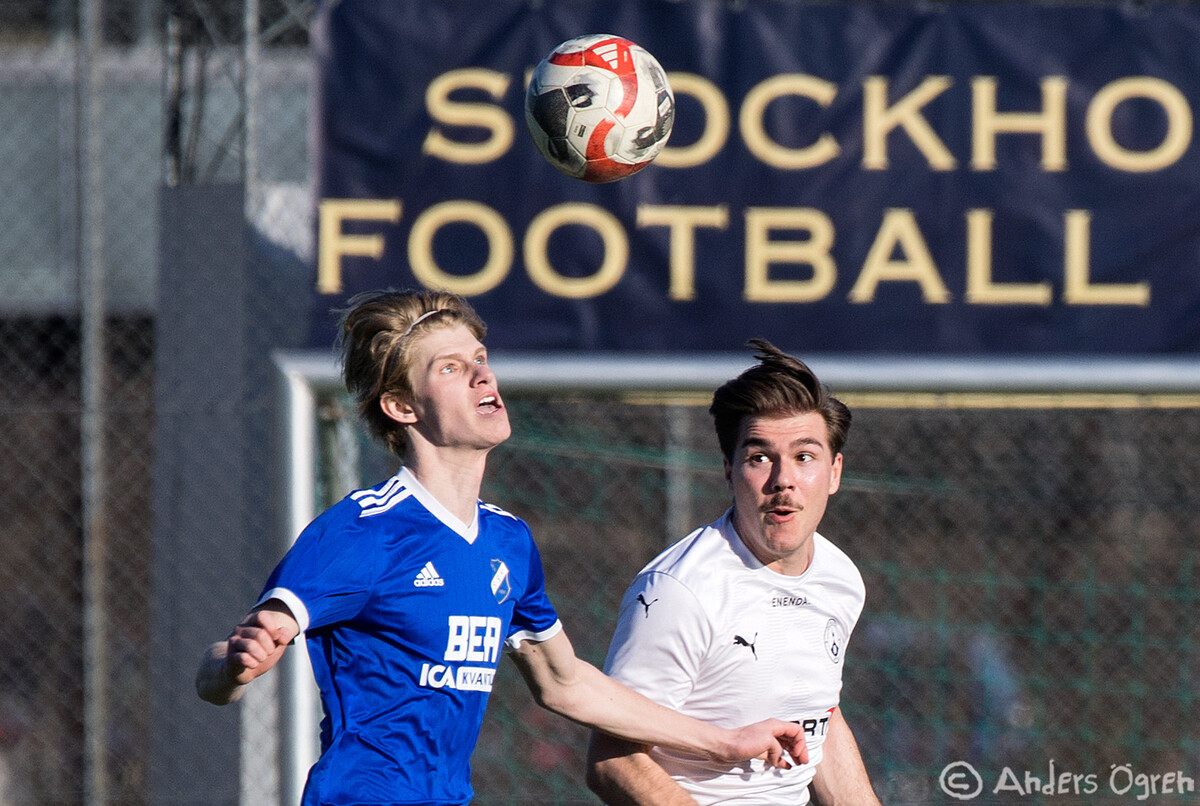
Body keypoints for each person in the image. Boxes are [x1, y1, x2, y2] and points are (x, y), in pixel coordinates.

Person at [195, 290, 806, 806]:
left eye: (480, 359)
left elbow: (565, 683)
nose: (482, 376)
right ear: (401, 407)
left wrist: (723, 742)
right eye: (450, 368)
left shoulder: (507, 541)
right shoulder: (363, 529)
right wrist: (233, 665)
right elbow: (219, 671)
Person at [586, 340, 881, 806]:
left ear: (835, 472)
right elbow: (612, 760)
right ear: (729, 470)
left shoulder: (840, 578)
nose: (783, 479)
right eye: (759, 457)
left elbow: (821, 717)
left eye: (804, 457)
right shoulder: (680, 590)